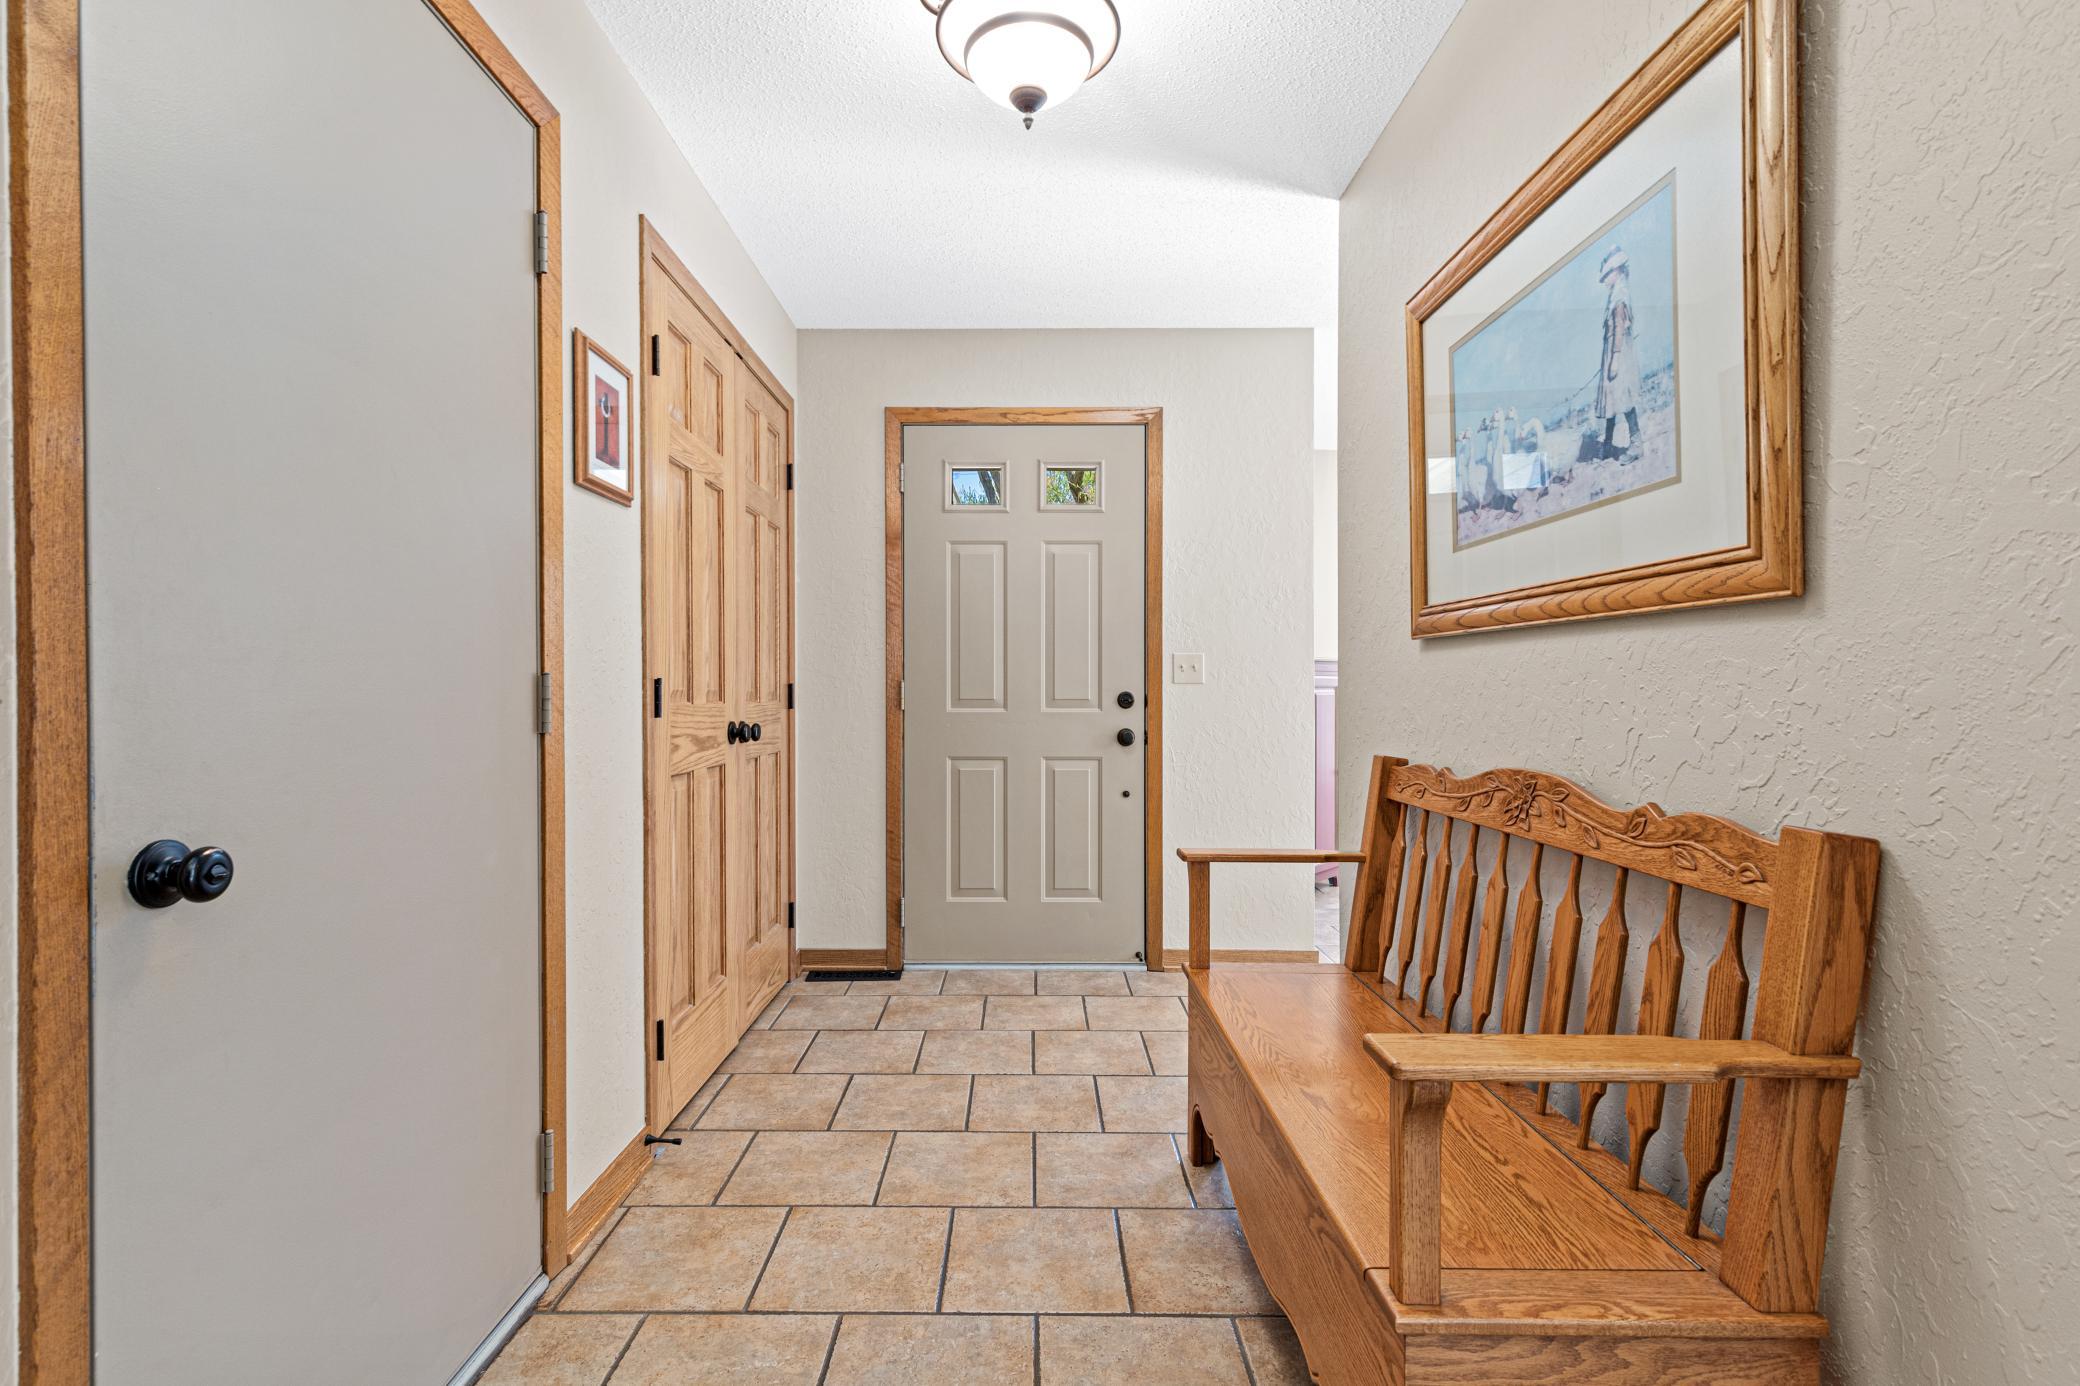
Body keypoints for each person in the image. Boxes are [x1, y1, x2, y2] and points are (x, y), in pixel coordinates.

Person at [1596, 246, 1643, 460]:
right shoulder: (1615, 295)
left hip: (1619, 355)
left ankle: (1636, 444)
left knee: (1622, 397)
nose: (1605, 280)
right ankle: (1607, 445)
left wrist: (1614, 358)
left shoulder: (1620, 297)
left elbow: (1618, 328)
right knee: (1611, 399)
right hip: (1614, 354)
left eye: (1607, 275)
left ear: (1617, 271)